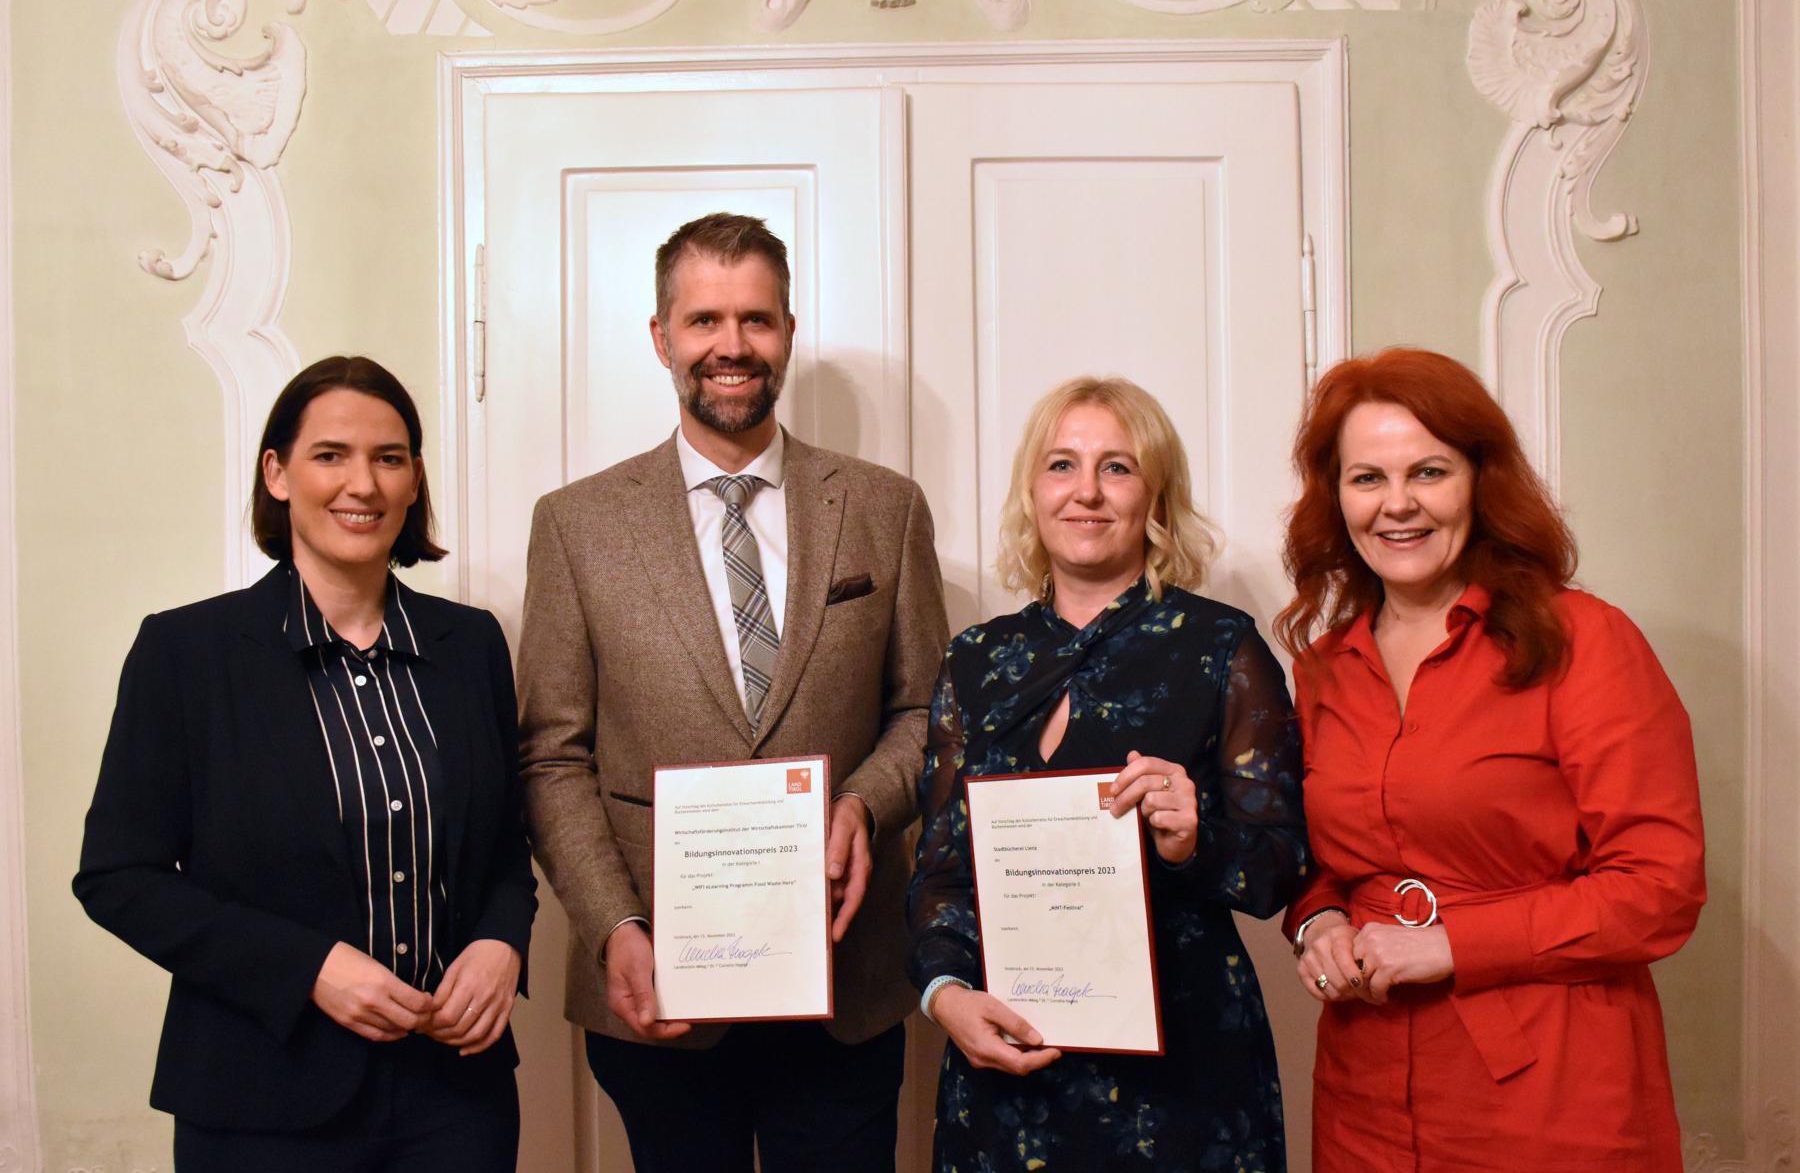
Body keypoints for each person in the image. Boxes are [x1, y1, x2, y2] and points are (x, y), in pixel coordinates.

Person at [517, 212, 949, 1172]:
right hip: (661, 982)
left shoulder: (883, 507)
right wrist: (613, 925)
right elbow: (553, 754)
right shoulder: (577, 526)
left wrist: (863, 801)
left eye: (755, 319)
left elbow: (927, 711)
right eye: (705, 319)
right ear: (662, 337)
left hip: (844, 978)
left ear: (788, 332)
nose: (732, 345)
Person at [73, 356, 537, 1171]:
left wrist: (503, 943)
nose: (363, 484)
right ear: (277, 472)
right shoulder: (186, 653)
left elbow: (504, 843)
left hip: (456, 1097)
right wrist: (309, 969)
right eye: (331, 455)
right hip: (260, 1099)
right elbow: (119, 876)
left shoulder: (472, 646)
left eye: (389, 458)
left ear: (414, 479)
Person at [1275, 348, 1706, 1172]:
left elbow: (1661, 886)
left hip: (1551, 1091)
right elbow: (1316, 851)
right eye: (1367, 479)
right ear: (1336, 498)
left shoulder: (1584, 639)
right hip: (1366, 1093)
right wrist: (1318, 918)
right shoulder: (1325, 665)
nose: (1397, 506)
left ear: (1480, 479)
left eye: (1428, 472)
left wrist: (1452, 941)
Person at [907, 376, 1308, 1172]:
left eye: (1117, 467)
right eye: (1062, 465)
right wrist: (945, 995)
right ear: (1033, 489)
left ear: (1156, 495)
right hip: (1006, 1065)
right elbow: (942, 870)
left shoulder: (1220, 646)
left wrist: (1192, 842)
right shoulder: (976, 659)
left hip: (1183, 1073)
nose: (1087, 491)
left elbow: (1279, 868)